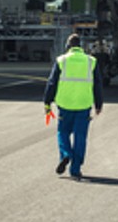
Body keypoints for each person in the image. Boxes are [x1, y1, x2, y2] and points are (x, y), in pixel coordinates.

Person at [43, 33, 103, 180]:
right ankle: (75, 169)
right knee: (80, 137)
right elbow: (98, 85)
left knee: (62, 133)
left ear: (67, 46)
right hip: (83, 104)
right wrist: (98, 103)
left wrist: (47, 102)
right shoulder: (91, 61)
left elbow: (52, 83)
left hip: (65, 104)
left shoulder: (61, 60)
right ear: (80, 46)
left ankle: (65, 155)